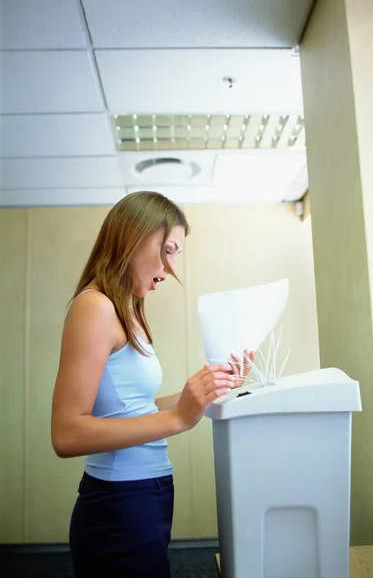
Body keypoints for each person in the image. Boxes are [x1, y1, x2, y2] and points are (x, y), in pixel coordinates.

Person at [51, 191, 254, 578]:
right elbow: (66, 433)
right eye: (169, 250)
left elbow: (133, 408)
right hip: (118, 504)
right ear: (134, 237)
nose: (171, 269)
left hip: (147, 494)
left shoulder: (127, 310)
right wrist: (179, 418)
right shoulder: (95, 306)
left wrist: (209, 389)